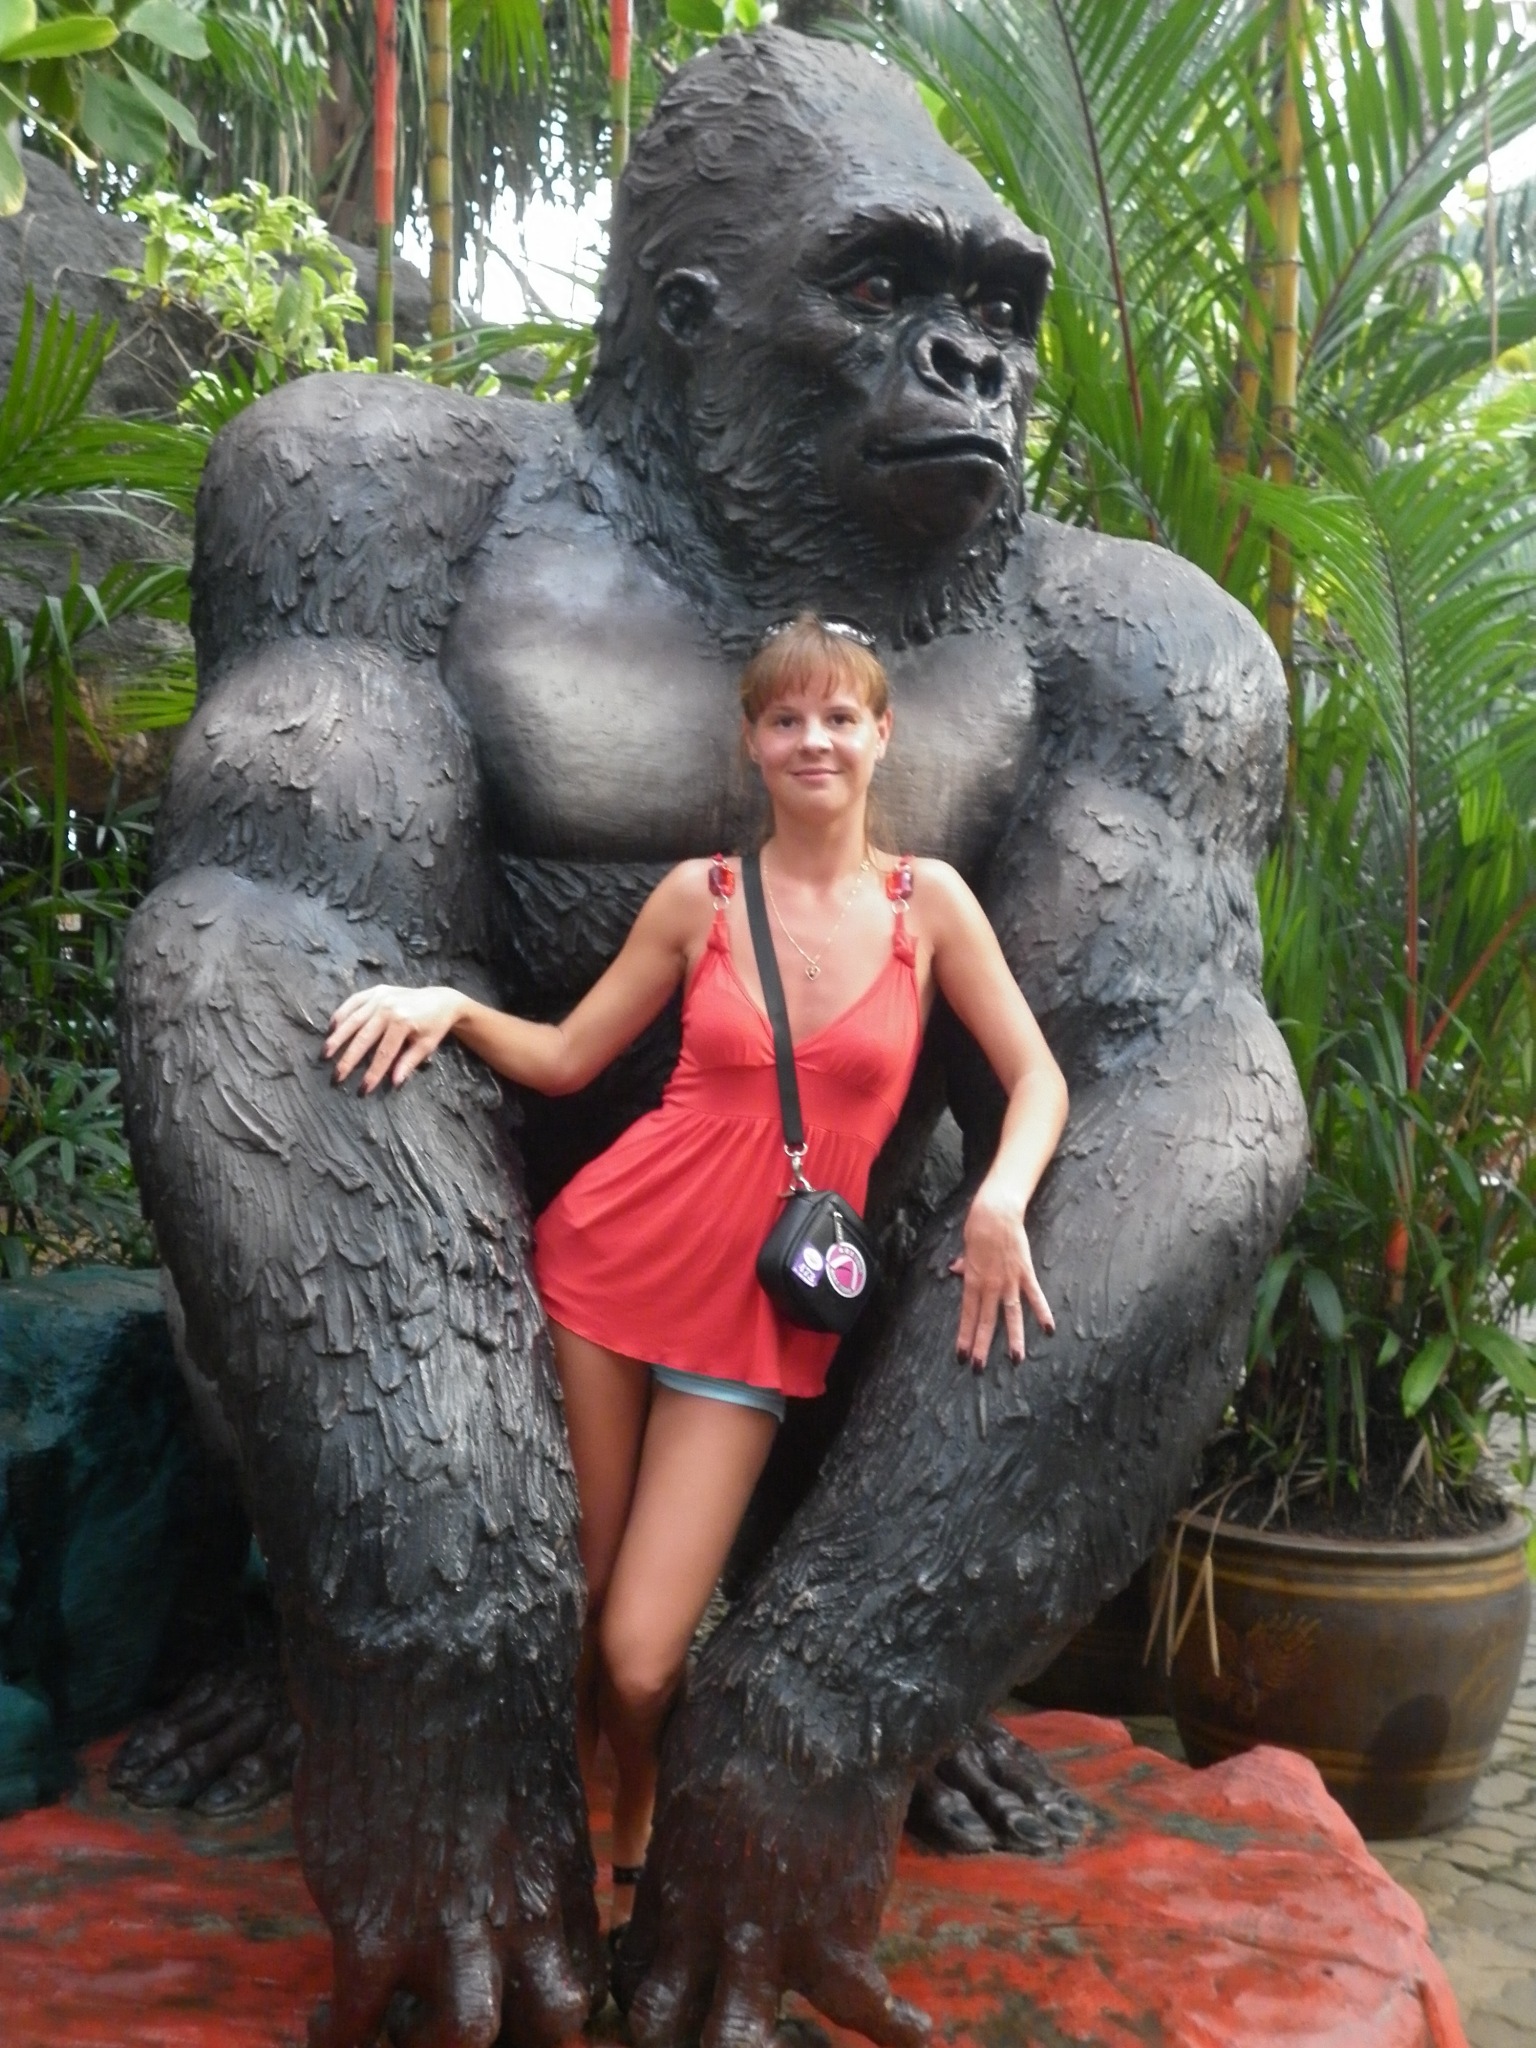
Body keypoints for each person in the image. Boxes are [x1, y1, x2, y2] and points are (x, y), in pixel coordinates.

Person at [322, 613, 1068, 1940]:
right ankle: (566, 1848)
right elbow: (568, 1058)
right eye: (786, 719)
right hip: (609, 1267)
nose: (813, 740)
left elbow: (1038, 1079)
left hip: (760, 1312)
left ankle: (641, 1800)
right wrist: (449, 1008)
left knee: (640, 1652)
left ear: (882, 734)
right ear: (753, 742)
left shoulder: (931, 906)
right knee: (571, 1603)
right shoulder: (700, 898)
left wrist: (1000, 1197)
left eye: (838, 717)